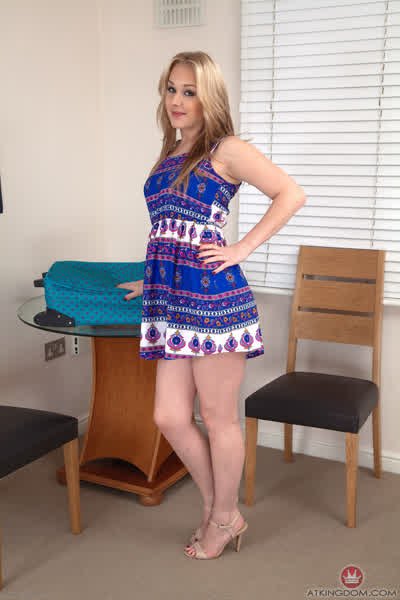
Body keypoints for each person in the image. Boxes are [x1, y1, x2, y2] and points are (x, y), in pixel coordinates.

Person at [117, 51, 306, 560]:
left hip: (214, 302)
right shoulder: (171, 151)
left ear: (209, 98)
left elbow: (290, 194)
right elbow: (170, 229)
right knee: (168, 416)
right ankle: (218, 508)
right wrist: (149, 278)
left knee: (219, 418)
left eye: (190, 91)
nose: (177, 100)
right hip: (170, 300)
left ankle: (222, 518)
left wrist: (241, 248)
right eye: (171, 89)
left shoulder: (227, 149)